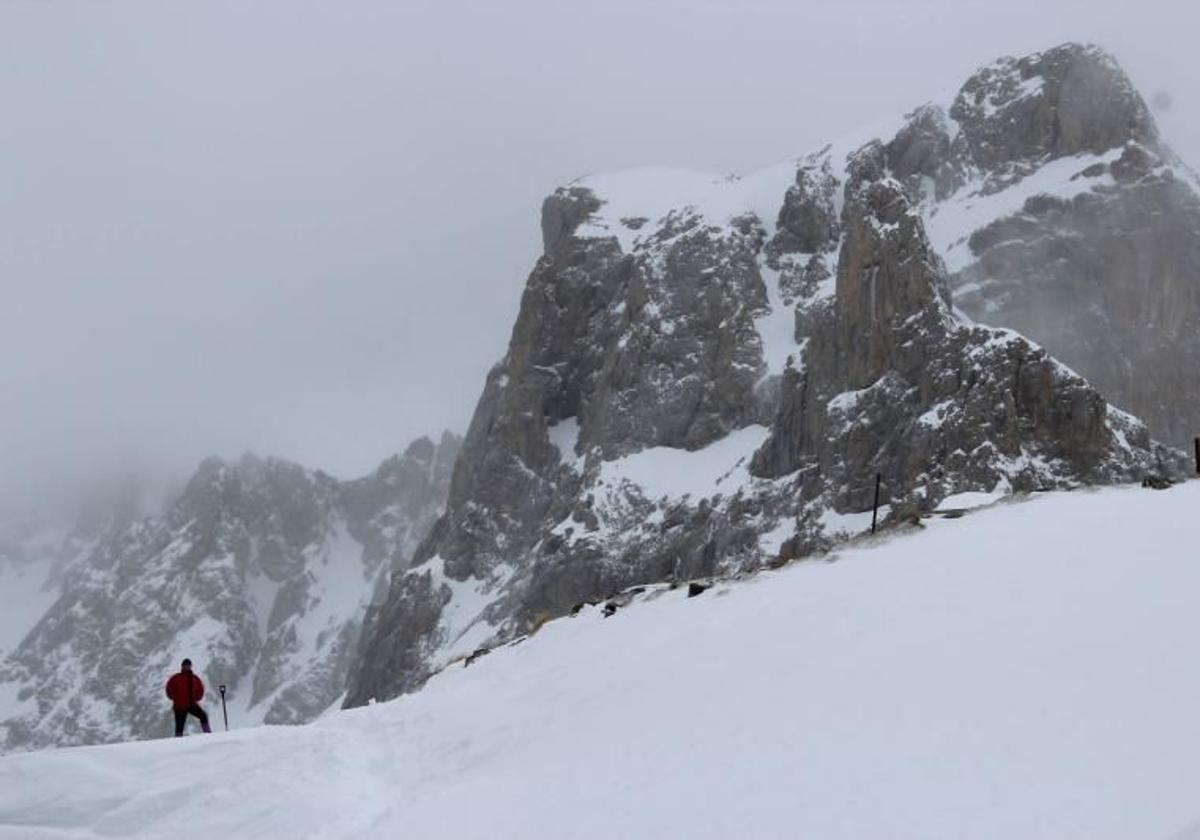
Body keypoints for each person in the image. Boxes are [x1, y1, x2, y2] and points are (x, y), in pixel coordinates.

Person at [165, 658, 211, 737]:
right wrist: (174, 698)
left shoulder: (194, 678)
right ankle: (178, 742)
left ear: (190, 666)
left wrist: (197, 698)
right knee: (179, 726)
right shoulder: (176, 678)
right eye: (185, 666)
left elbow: (200, 689)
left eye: (188, 666)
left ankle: (208, 734)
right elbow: (168, 689)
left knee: (203, 716)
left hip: (191, 704)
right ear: (182, 666)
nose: (186, 667)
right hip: (179, 706)